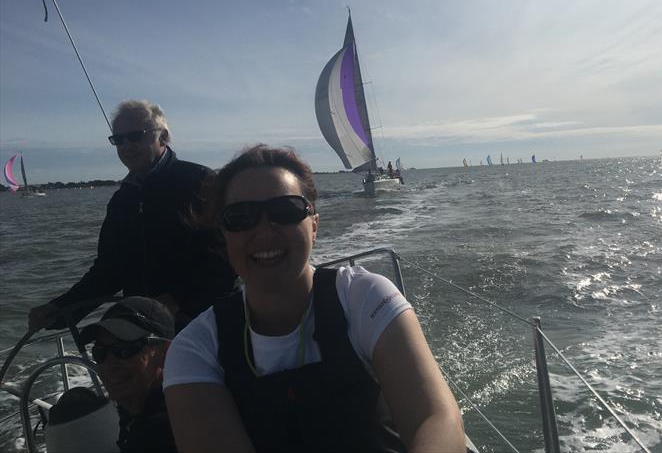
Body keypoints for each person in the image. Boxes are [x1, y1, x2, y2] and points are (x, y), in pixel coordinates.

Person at [163, 145, 465, 453]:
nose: (265, 231)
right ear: (223, 235)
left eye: (286, 210)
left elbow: (435, 418)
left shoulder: (366, 298)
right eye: (241, 217)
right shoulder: (195, 350)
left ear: (315, 225)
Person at [28, 100, 236, 332]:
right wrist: (61, 309)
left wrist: (177, 299)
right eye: (119, 139)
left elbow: (228, 256)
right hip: (148, 329)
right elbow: (109, 269)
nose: (126, 146)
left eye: (136, 136)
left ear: (163, 137)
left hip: (209, 323)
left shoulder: (200, 181)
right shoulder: (121, 201)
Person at [75, 296, 178, 452]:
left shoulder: (161, 431)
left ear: (165, 353)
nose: (109, 363)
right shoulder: (135, 411)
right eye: (100, 352)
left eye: (125, 348)